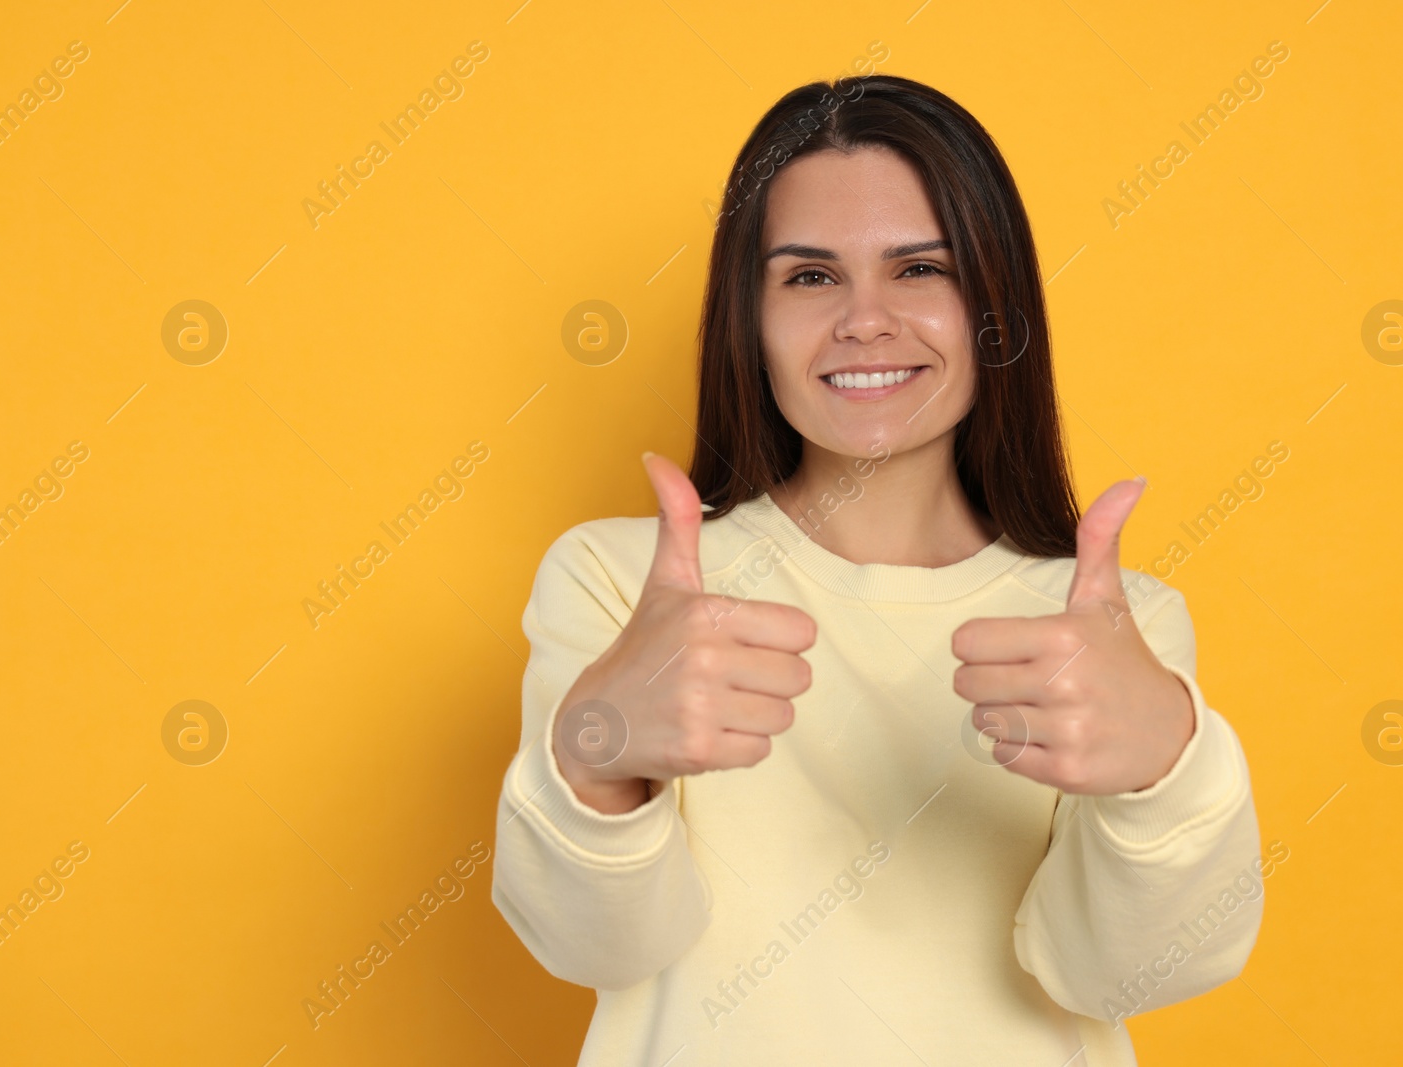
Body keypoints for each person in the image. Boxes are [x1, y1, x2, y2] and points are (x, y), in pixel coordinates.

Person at [492, 73, 1263, 1065]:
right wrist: (595, 753)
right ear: (749, 319)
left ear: (993, 306)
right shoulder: (619, 584)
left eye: (919, 270)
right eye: (810, 276)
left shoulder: (1110, 629)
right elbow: (598, 944)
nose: (863, 320)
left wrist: (1172, 765)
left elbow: (1114, 976)